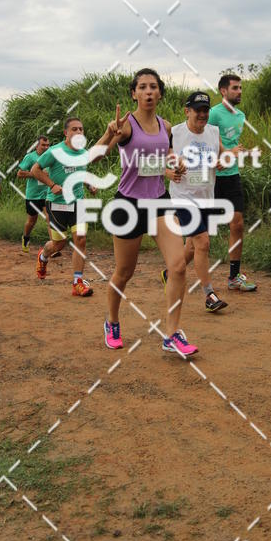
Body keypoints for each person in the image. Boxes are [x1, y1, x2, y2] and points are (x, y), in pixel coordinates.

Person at [94, 68, 198, 356]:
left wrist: (174, 167)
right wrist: (108, 134)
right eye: (142, 87)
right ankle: (111, 321)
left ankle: (172, 333)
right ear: (134, 93)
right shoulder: (126, 126)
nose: (149, 91)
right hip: (128, 205)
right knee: (124, 272)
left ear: (160, 93)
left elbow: (157, 162)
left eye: (153, 87)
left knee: (178, 265)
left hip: (160, 203)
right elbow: (96, 156)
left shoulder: (165, 127)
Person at [163, 91, 229, 313]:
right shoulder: (175, 133)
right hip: (183, 197)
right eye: (197, 110)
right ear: (187, 111)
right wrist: (168, 172)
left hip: (206, 196)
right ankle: (209, 294)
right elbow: (155, 161)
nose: (202, 115)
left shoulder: (213, 131)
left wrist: (224, 161)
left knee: (192, 246)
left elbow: (225, 154)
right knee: (202, 242)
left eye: (205, 110)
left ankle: (169, 272)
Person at [31, 118, 94, 297]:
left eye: (81, 129)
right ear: (65, 133)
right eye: (74, 129)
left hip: (78, 202)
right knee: (59, 244)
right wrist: (51, 185)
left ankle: (77, 283)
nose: (79, 132)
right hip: (57, 203)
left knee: (80, 240)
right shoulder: (54, 151)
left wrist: (89, 185)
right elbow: (36, 170)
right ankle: (43, 256)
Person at [208, 74, 257, 292]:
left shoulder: (240, 115)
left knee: (237, 224)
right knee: (199, 234)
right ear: (223, 91)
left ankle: (234, 277)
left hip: (232, 176)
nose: (239, 91)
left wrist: (235, 153)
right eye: (235, 88)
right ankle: (173, 270)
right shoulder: (213, 114)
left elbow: (230, 144)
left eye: (240, 88)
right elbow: (207, 141)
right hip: (212, 178)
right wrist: (226, 154)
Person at [17, 135, 50, 252]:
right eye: (43, 145)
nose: (46, 147)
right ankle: (25, 238)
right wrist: (37, 174)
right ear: (37, 146)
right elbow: (20, 174)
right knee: (32, 221)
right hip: (33, 195)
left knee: (49, 218)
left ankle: (54, 247)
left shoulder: (51, 157)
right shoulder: (30, 157)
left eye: (48, 145)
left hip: (47, 194)